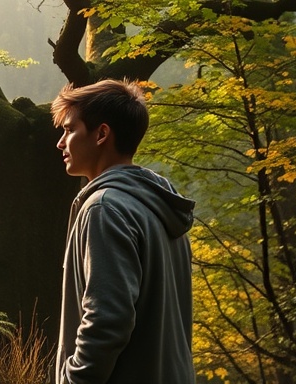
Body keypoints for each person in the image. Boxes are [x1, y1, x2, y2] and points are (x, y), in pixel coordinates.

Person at [51, 79, 196, 383]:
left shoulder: (105, 209)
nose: (60, 143)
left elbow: (107, 322)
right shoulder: (160, 208)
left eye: (69, 129)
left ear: (101, 134)